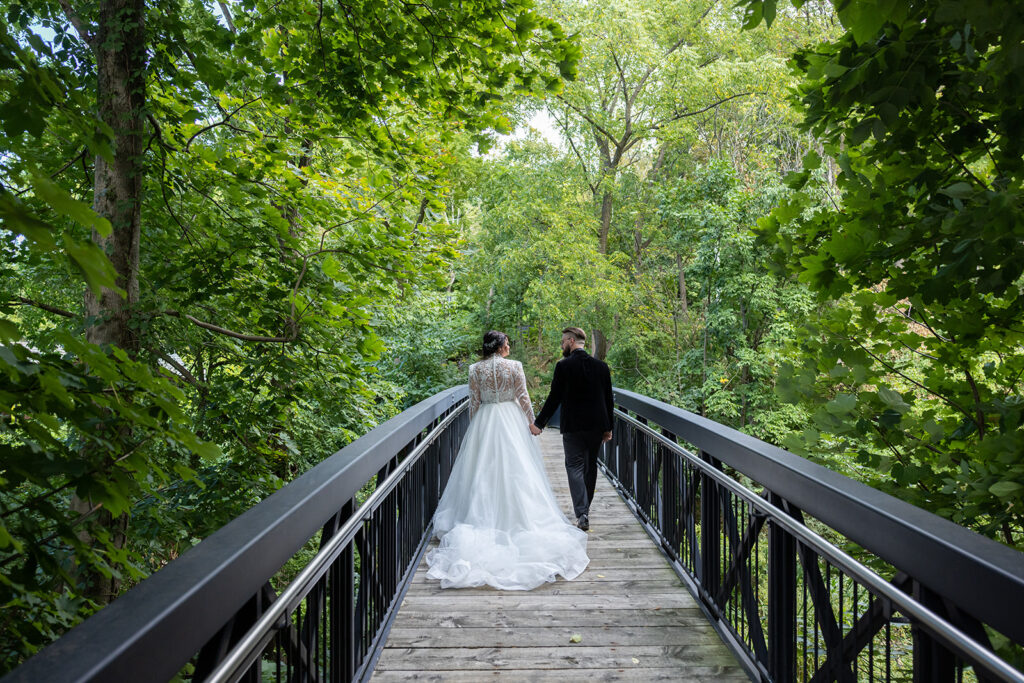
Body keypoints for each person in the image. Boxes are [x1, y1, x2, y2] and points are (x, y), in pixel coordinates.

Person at [425, 330, 589, 590]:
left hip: (486, 420)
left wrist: (474, 429)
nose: (510, 346)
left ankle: (481, 516)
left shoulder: (474, 369)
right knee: (518, 470)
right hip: (510, 419)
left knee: (482, 472)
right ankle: (519, 518)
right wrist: (532, 423)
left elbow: (474, 402)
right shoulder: (514, 367)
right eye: (508, 343)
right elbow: (523, 397)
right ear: (500, 347)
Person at [530, 327, 614, 532]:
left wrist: (538, 424)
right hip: (596, 426)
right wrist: (609, 427)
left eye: (562, 342)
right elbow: (608, 399)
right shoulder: (602, 367)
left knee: (574, 467)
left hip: (573, 426)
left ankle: (582, 513)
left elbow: (554, 397)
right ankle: (586, 509)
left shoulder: (564, 366)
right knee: (590, 466)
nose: (561, 346)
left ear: (570, 341)